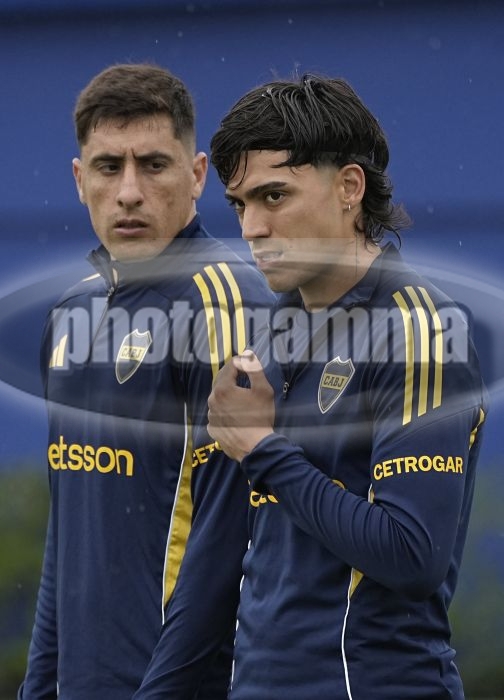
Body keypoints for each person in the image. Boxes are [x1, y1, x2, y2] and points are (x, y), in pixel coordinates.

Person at [207, 74, 488, 699]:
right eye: (240, 204)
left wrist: (262, 451)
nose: (251, 227)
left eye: (274, 195)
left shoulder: (420, 331)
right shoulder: (270, 334)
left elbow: (411, 555)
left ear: (349, 188)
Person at [18, 63, 274, 700]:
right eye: (108, 167)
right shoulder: (71, 314)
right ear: (80, 180)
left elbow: (230, 547)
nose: (128, 192)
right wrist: (40, 685)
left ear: (197, 175)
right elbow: (67, 537)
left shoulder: (225, 306)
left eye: (153, 165)